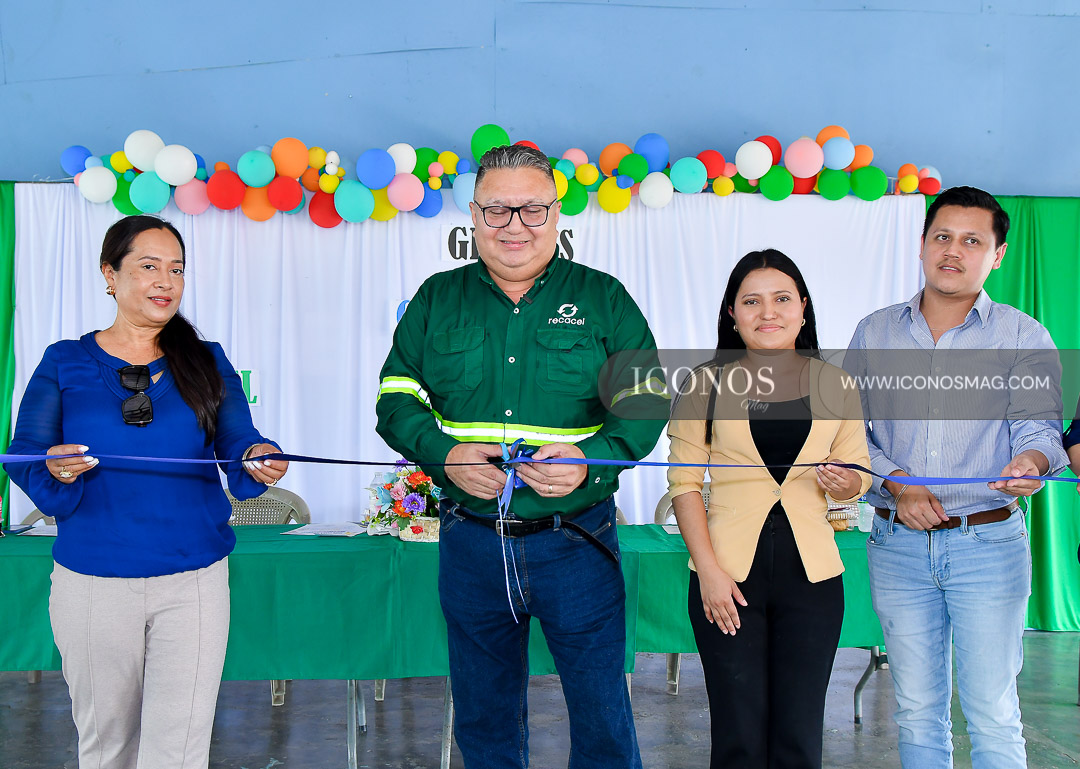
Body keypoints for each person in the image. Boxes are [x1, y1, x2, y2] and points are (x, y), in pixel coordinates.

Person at [375, 143, 667, 769]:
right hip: (471, 545)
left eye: (532, 209)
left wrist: (591, 462)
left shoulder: (604, 298)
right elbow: (395, 399)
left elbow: (645, 401)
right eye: (497, 210)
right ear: (474, 216)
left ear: (556, 215)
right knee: (484, 722)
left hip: (576, 543)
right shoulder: (436, 298)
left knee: (602, 717)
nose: (515, 226)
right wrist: (443, 454)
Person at [4, 215, 287, 769]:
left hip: (194, 581)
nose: (166, 281)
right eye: (149, 266)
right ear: (110, 275)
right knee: (106, 746)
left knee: (179, 749)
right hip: (94, 581)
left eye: (176, 269)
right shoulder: (64, 360)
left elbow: (239, 441)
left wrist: (258, 456)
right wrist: (54, 467)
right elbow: (25, 453)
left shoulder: (207, 359)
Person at [846, 186, 1067, 768]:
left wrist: (1032, 463)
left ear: (997, 255)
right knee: (916, 709)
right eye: (942, 236)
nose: (953, 250)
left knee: (993, 711)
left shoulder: (1022, 335)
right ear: (922, 244)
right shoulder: (874, 333)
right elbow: (847, 435)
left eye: (972, 241)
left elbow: (1040, 431)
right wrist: (897, 482)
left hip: (989, 546)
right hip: (897, 546)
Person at [666, 249, 870, 769]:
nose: (768, 312)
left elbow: (859, 476)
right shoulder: (704, 385)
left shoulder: (837, 384)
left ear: (803, 308)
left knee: (800, 734)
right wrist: (708, 572)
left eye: (781, 298)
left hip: (814, 579)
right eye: (751, 301)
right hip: (727, 577)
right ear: (732, 313)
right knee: (738, 734)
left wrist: (846, 482)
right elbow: (684, 484)